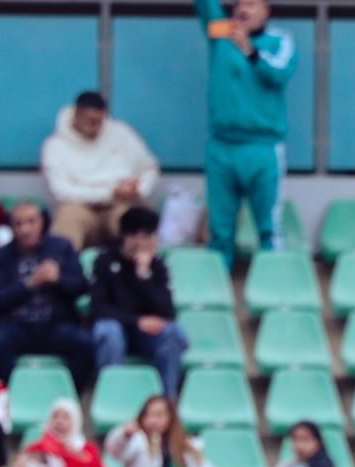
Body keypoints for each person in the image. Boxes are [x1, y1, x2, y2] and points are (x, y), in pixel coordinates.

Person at [195, 0, 298, 264]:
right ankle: (218, 283)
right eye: (238, 4)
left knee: (269, 228)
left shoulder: (280, 40)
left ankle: (273, 282)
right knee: (219, 230)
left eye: (251, 4)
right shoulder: (221, 32)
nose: (242, 10)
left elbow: (280, 74)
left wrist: (249, 50)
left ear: (265, 11)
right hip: (221, 145)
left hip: (263, 148)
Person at [0, 202, 91, 388]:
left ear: (42, 222)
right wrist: (29, 284)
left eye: (31, 222)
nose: (25, 229)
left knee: (84, 343)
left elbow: (80, 286)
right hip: (17, 326)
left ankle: (70, 394)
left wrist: (58, 279)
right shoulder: (1, 256)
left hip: (55, 324)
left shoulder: (62, 247)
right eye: (18, 224)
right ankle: (11, 395)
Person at [41, 90, 159, 253]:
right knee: (67, 219)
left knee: (136, 220)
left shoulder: (121, 133)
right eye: (91, 121)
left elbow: (149, 167)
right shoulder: (55, 146)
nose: (97, 127)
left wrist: (138, 189)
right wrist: (111, 193)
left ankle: (143, 266)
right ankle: (61, 266)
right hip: (80, 207)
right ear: (76, 115)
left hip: (120, 205)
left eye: (100, 121)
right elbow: (61, 192)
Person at [90, 206, 188, 397]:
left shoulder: (157, 265)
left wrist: (144, 275)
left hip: (147, 335)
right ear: (129, 238)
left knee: (173, 333)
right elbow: (99, 307)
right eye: (147, 236)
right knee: (108, 331)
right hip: (118, 328)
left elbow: (166, 310)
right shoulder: (105, 261)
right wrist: (136, 322)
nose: (153, 241)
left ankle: (167, 400)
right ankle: (112, 396)